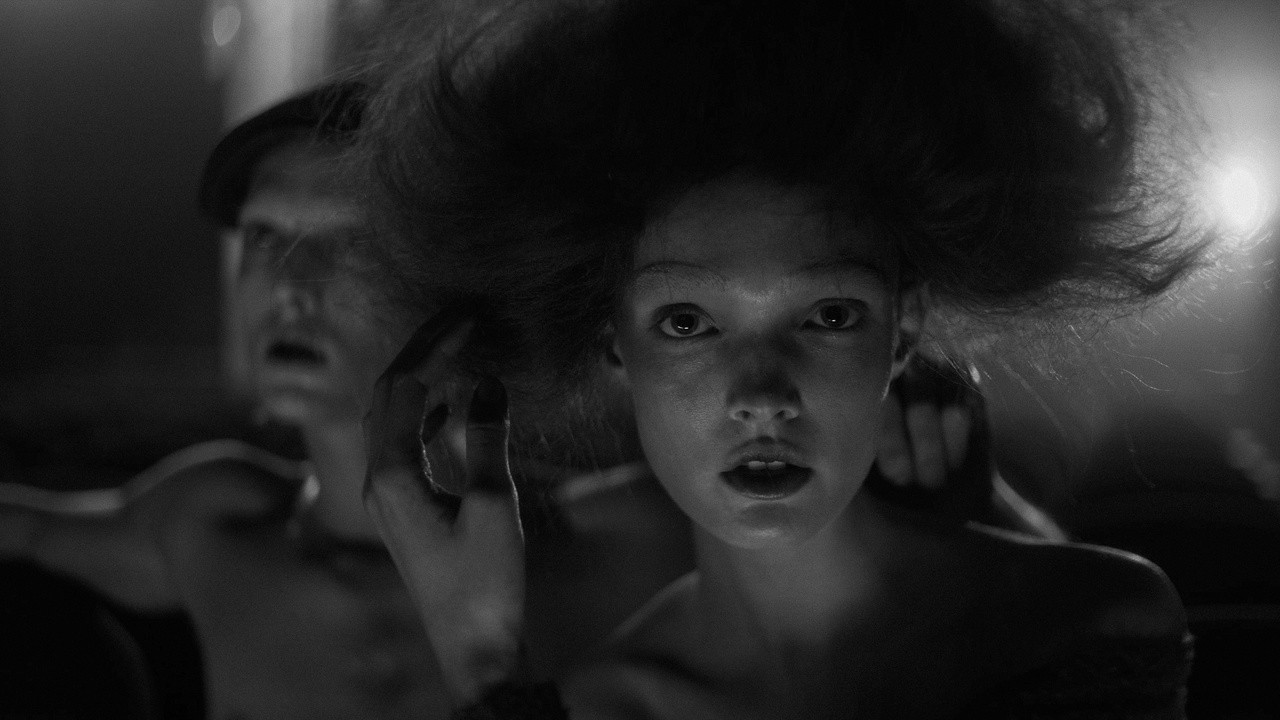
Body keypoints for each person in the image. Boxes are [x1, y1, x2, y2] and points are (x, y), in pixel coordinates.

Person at [0, 79, 989, 717]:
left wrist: (910, 402)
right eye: (264, 239)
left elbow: (949, 577)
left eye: (345, 245)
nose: (288, 285)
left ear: (444, 283)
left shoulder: (645, 533)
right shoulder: (205, 524)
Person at [357, 0, 1206, 716]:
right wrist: (481, 662)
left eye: (828, 316)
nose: (762, 396)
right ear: (613, 342)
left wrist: (488, 677)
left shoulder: (1088, 625)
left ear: (903, 330)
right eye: (687, 322)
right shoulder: (607, 706)